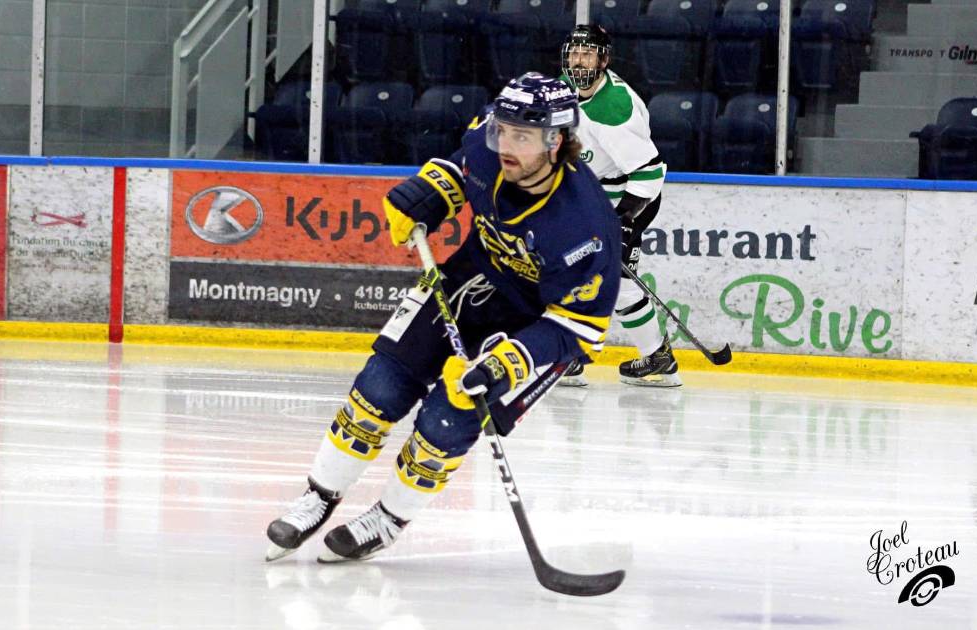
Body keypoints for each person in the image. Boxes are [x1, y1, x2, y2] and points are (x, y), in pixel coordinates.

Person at [265, 72, 621, 563]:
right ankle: (320, 495)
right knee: (380, 385)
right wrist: (429, 195)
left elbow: (579, 331)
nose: (504, 145)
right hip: (468, 281)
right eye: (503, 130)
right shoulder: (487, 144)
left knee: (446, 421)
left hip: (532, 326)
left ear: (557, 142)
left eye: (523, 136)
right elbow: (460, 171)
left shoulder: (584, 229)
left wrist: (505, 363)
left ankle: (388, 518)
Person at [558, 24, 681, 388]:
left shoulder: (613, 108)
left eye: (588, 54)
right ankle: (578, 356)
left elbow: (648, 172)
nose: (579, 61)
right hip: (590, 197)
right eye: (574, 53)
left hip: (627, 199)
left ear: (603, 59)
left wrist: (624, 221)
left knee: (614, 282)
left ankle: (655, 357)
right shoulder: (563, 90)